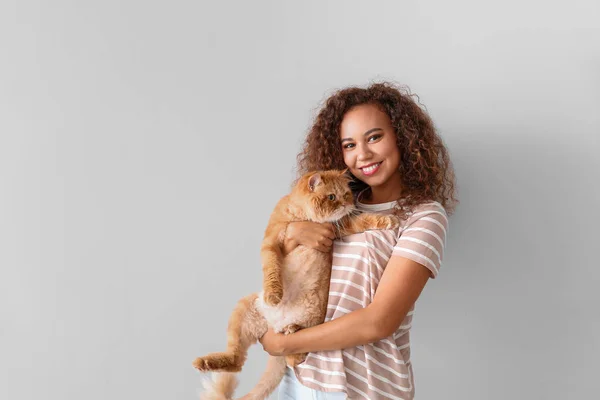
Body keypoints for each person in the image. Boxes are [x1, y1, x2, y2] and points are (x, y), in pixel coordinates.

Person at [259, 82, 457, 399]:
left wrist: (284, 343)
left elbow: (379, 322)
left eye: (374, 137)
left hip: (366, 388)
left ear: (402, 138)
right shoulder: (335, 207)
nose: (362, 154)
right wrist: (292, 233)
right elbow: (284, 266)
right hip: (299, 379)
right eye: (349, 145)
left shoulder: (423, 217)